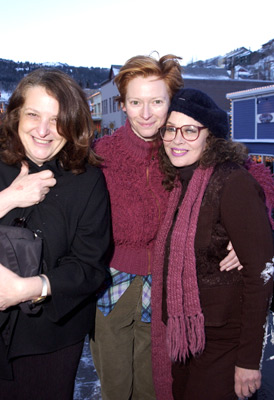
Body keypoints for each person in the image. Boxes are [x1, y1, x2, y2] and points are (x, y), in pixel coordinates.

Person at [89, 55, 241, 400]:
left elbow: (252, 176)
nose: (146, 113)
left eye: (156, 101)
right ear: (123, 105)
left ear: (170, 102)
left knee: (156, 385)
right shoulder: (100, 154)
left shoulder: (182, 146)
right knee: (115, 386)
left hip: (167, 285)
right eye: (136, 102)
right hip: (109, 287)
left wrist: (250, 230)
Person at [151, 88, 274, 400]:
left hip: (223, 341)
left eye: (190, 130)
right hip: (183, 336)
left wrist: (248, 361)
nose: (177, 139)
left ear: (212, 137)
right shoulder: (180, 183)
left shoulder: (233, 183)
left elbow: (262, 274)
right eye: (170, 129)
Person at [0, 68, 110, 399]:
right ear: (16, 114)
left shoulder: (88, 180)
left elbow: (90, 267)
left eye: (58, 119)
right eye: (34, 114)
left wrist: (29, 288)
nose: (44, 130)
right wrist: (8, 199)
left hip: (51, 338)